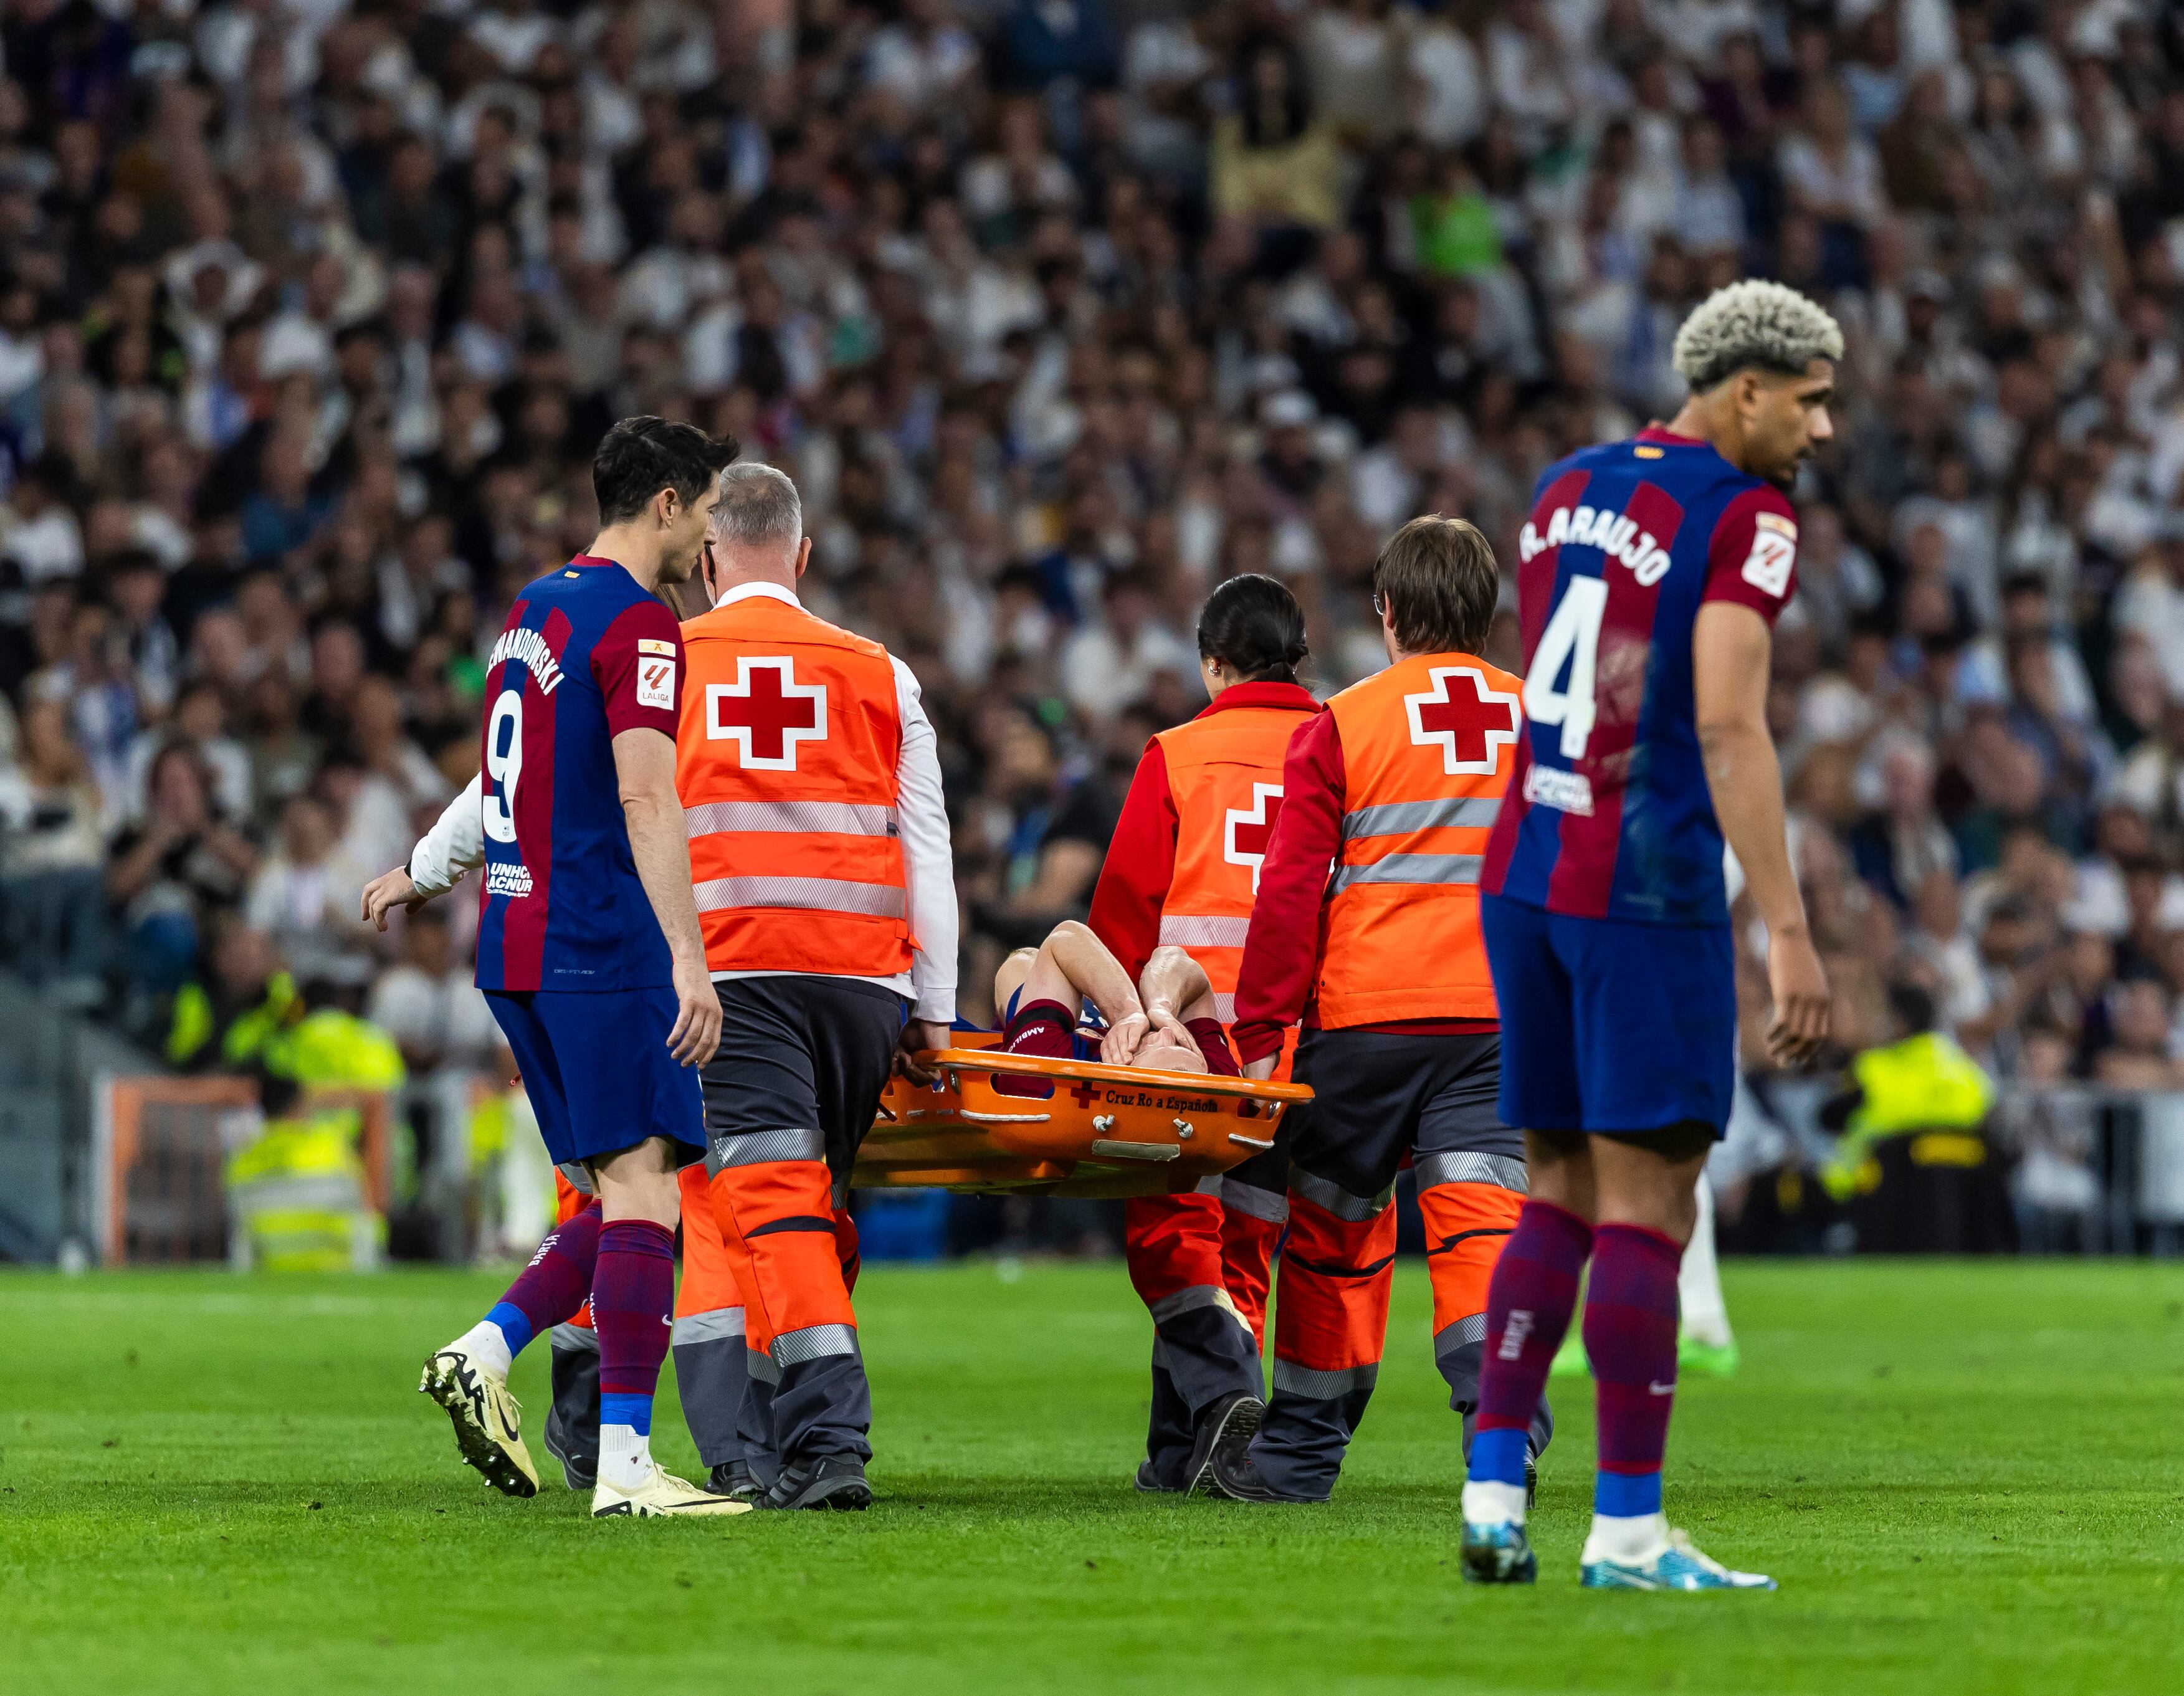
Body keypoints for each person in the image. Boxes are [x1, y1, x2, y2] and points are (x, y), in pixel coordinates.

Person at [1459, 279, 1836, 1591]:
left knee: (1554, 1185)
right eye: (1808, 398)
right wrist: (1786, 929)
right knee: (1649, 1204)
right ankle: (1624, 1529)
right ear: (1745, 389)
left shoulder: (1566, 485)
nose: (1821, 428)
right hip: (1647, 880)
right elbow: (1728, 722)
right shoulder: (1750, 516)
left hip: (1525, 869)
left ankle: (1493, 1491)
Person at [379, 415, 742, 1520]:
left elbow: (507, 778)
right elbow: (644, 795)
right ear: (668, 503)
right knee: (647, 1192)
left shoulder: (535, 607)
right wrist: (689, 955)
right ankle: (628, 1464)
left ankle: (485, 1350)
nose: (712, 535)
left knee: (610, 1189)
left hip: (516, 944)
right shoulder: (640, 625)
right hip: (599, 936)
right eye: (708, 509)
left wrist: (422, 869)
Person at [1216, 515, 1545, 1505]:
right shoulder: (1542, 717)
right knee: (1481, 1222)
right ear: (1486, 615)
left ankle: (1298, 1459)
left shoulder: (1343, 721)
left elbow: (1287, 893)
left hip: (1364, 1021)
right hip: (1497, 1021)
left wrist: (1261, 1032)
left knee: (1331, 1238)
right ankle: (1502, 1427)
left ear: (1386, 611)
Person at [680, 461, 957, 1512]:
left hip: (735, 972)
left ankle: (829, 1435)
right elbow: (927, 847)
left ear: (707, 561)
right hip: (861, 985)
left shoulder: (667, 657)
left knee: (776, 1207)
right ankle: (754, 1443)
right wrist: (933, 1004)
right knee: (792, 1207)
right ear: (801, 555)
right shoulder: (881, 672)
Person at [1084, 573, 1321, 1494]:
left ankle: (1220, 1391)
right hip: (1306, 1042)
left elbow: (1125, 912)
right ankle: (1183, 1451)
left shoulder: (1179, 753)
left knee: (1171, 1225)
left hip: (1193, 1047)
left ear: (1210, 661)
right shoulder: (1344, 739)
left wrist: (1117, 1027)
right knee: (1250, 1243)